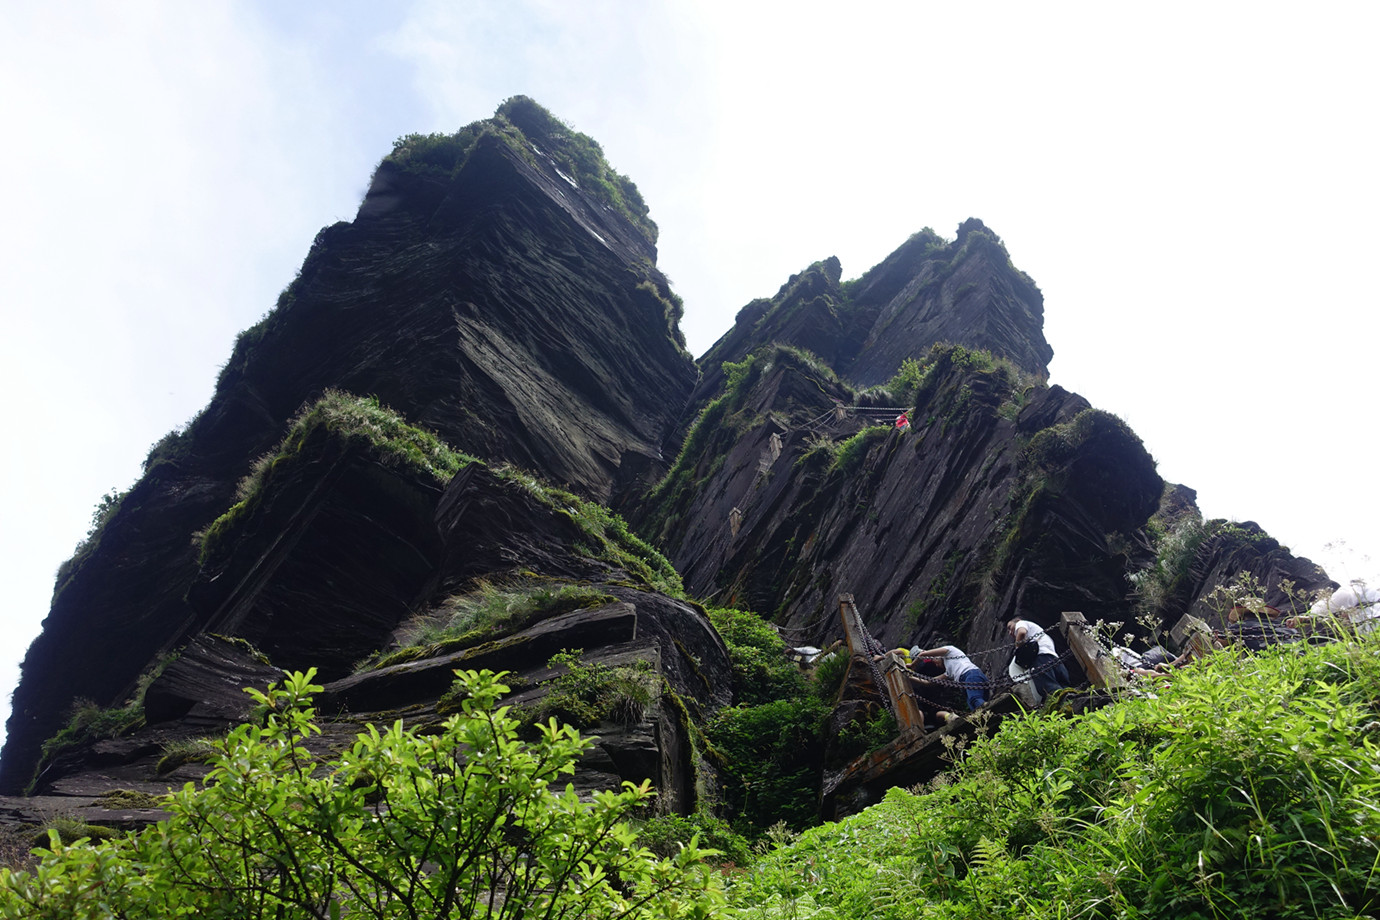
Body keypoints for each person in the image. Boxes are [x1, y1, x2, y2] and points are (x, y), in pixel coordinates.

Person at [910, 643, 988, 711]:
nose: (936, 665)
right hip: (967, 681)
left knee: (974, 699)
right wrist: (909, 676)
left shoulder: (950, 650)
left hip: (970, 674)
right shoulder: (949, 672)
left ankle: (988, 710)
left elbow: (922, 654)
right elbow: (928, 682)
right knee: (974, 708)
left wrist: (912, 665)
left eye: (935, 660)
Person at [1006, 618, 1070, 700]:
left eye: (1009, 627)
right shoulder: (1043, 636)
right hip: (1055, 660)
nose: (1010, 632)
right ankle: (1072, 703)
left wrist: (1018, 648)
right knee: (1065, 687)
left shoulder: (1021, 623)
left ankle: (1061, 706)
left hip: (1041, 659)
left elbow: (1022, 632)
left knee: (1048, 687)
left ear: (1017, 621)